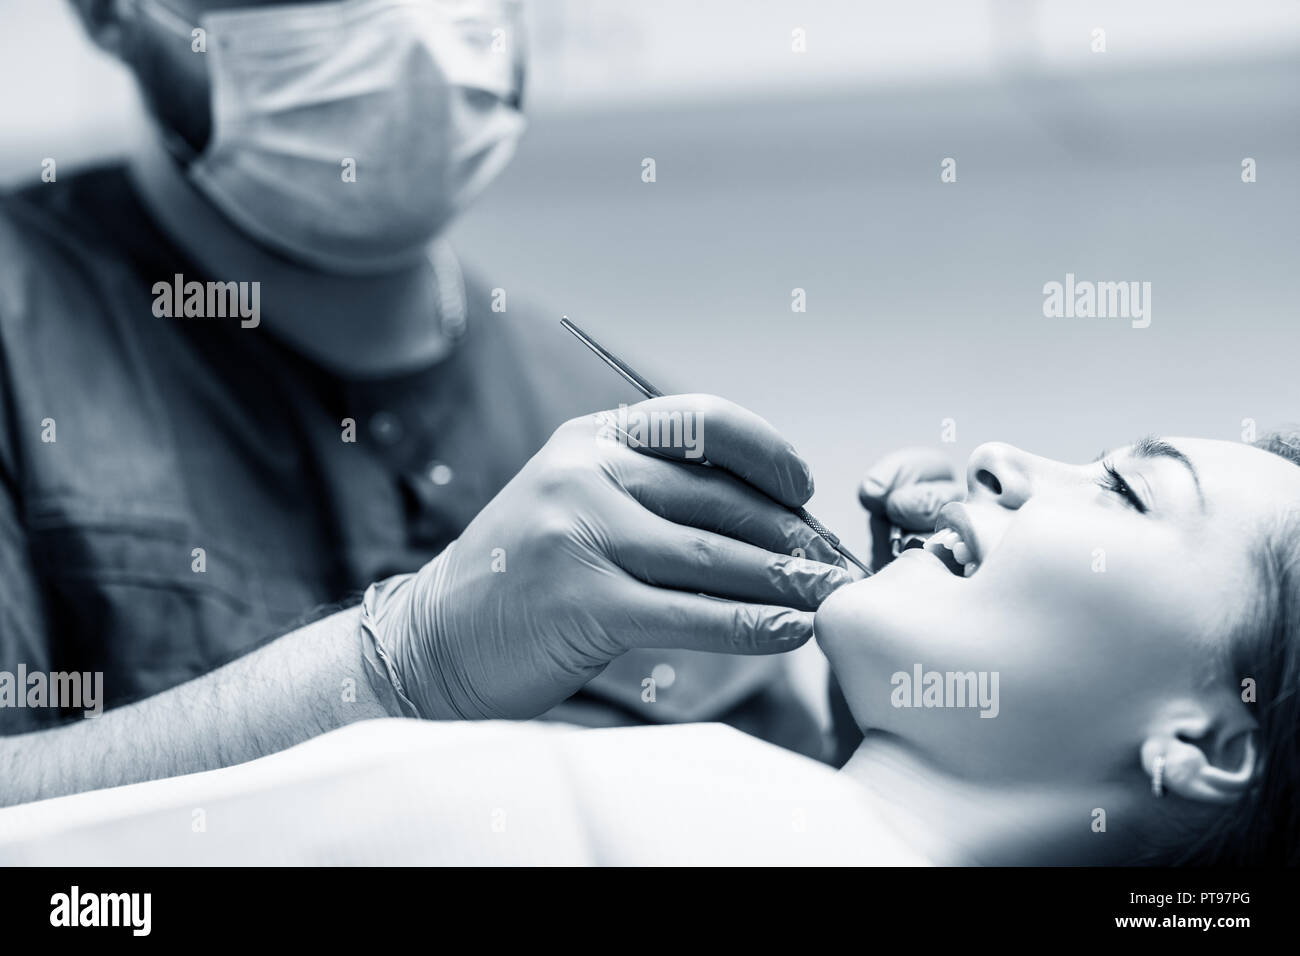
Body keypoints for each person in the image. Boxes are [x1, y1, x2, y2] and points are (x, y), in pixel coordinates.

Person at [0, 0, 852, 802]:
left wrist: (880, 746)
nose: (407, 24)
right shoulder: (25, 333)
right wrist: (391, 672)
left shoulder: (611, 416)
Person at [6, 429, 1290, 865]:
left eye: (1129, 492)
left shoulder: (604, 811)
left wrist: (401, 669)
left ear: (1206, 742)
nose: (1005, 456)